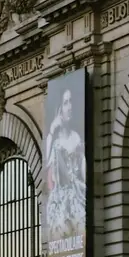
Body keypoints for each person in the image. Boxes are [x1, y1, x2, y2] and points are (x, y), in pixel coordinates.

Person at [44, 88, 87, 243]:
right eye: (65, 103)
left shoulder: (77, 138)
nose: (69, 107)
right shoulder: (54, 142)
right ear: (60, 109)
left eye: (71, 102)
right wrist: (50, 132)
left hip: (77, 196)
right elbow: (46, 165)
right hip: (60, 202)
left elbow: (84, 172)